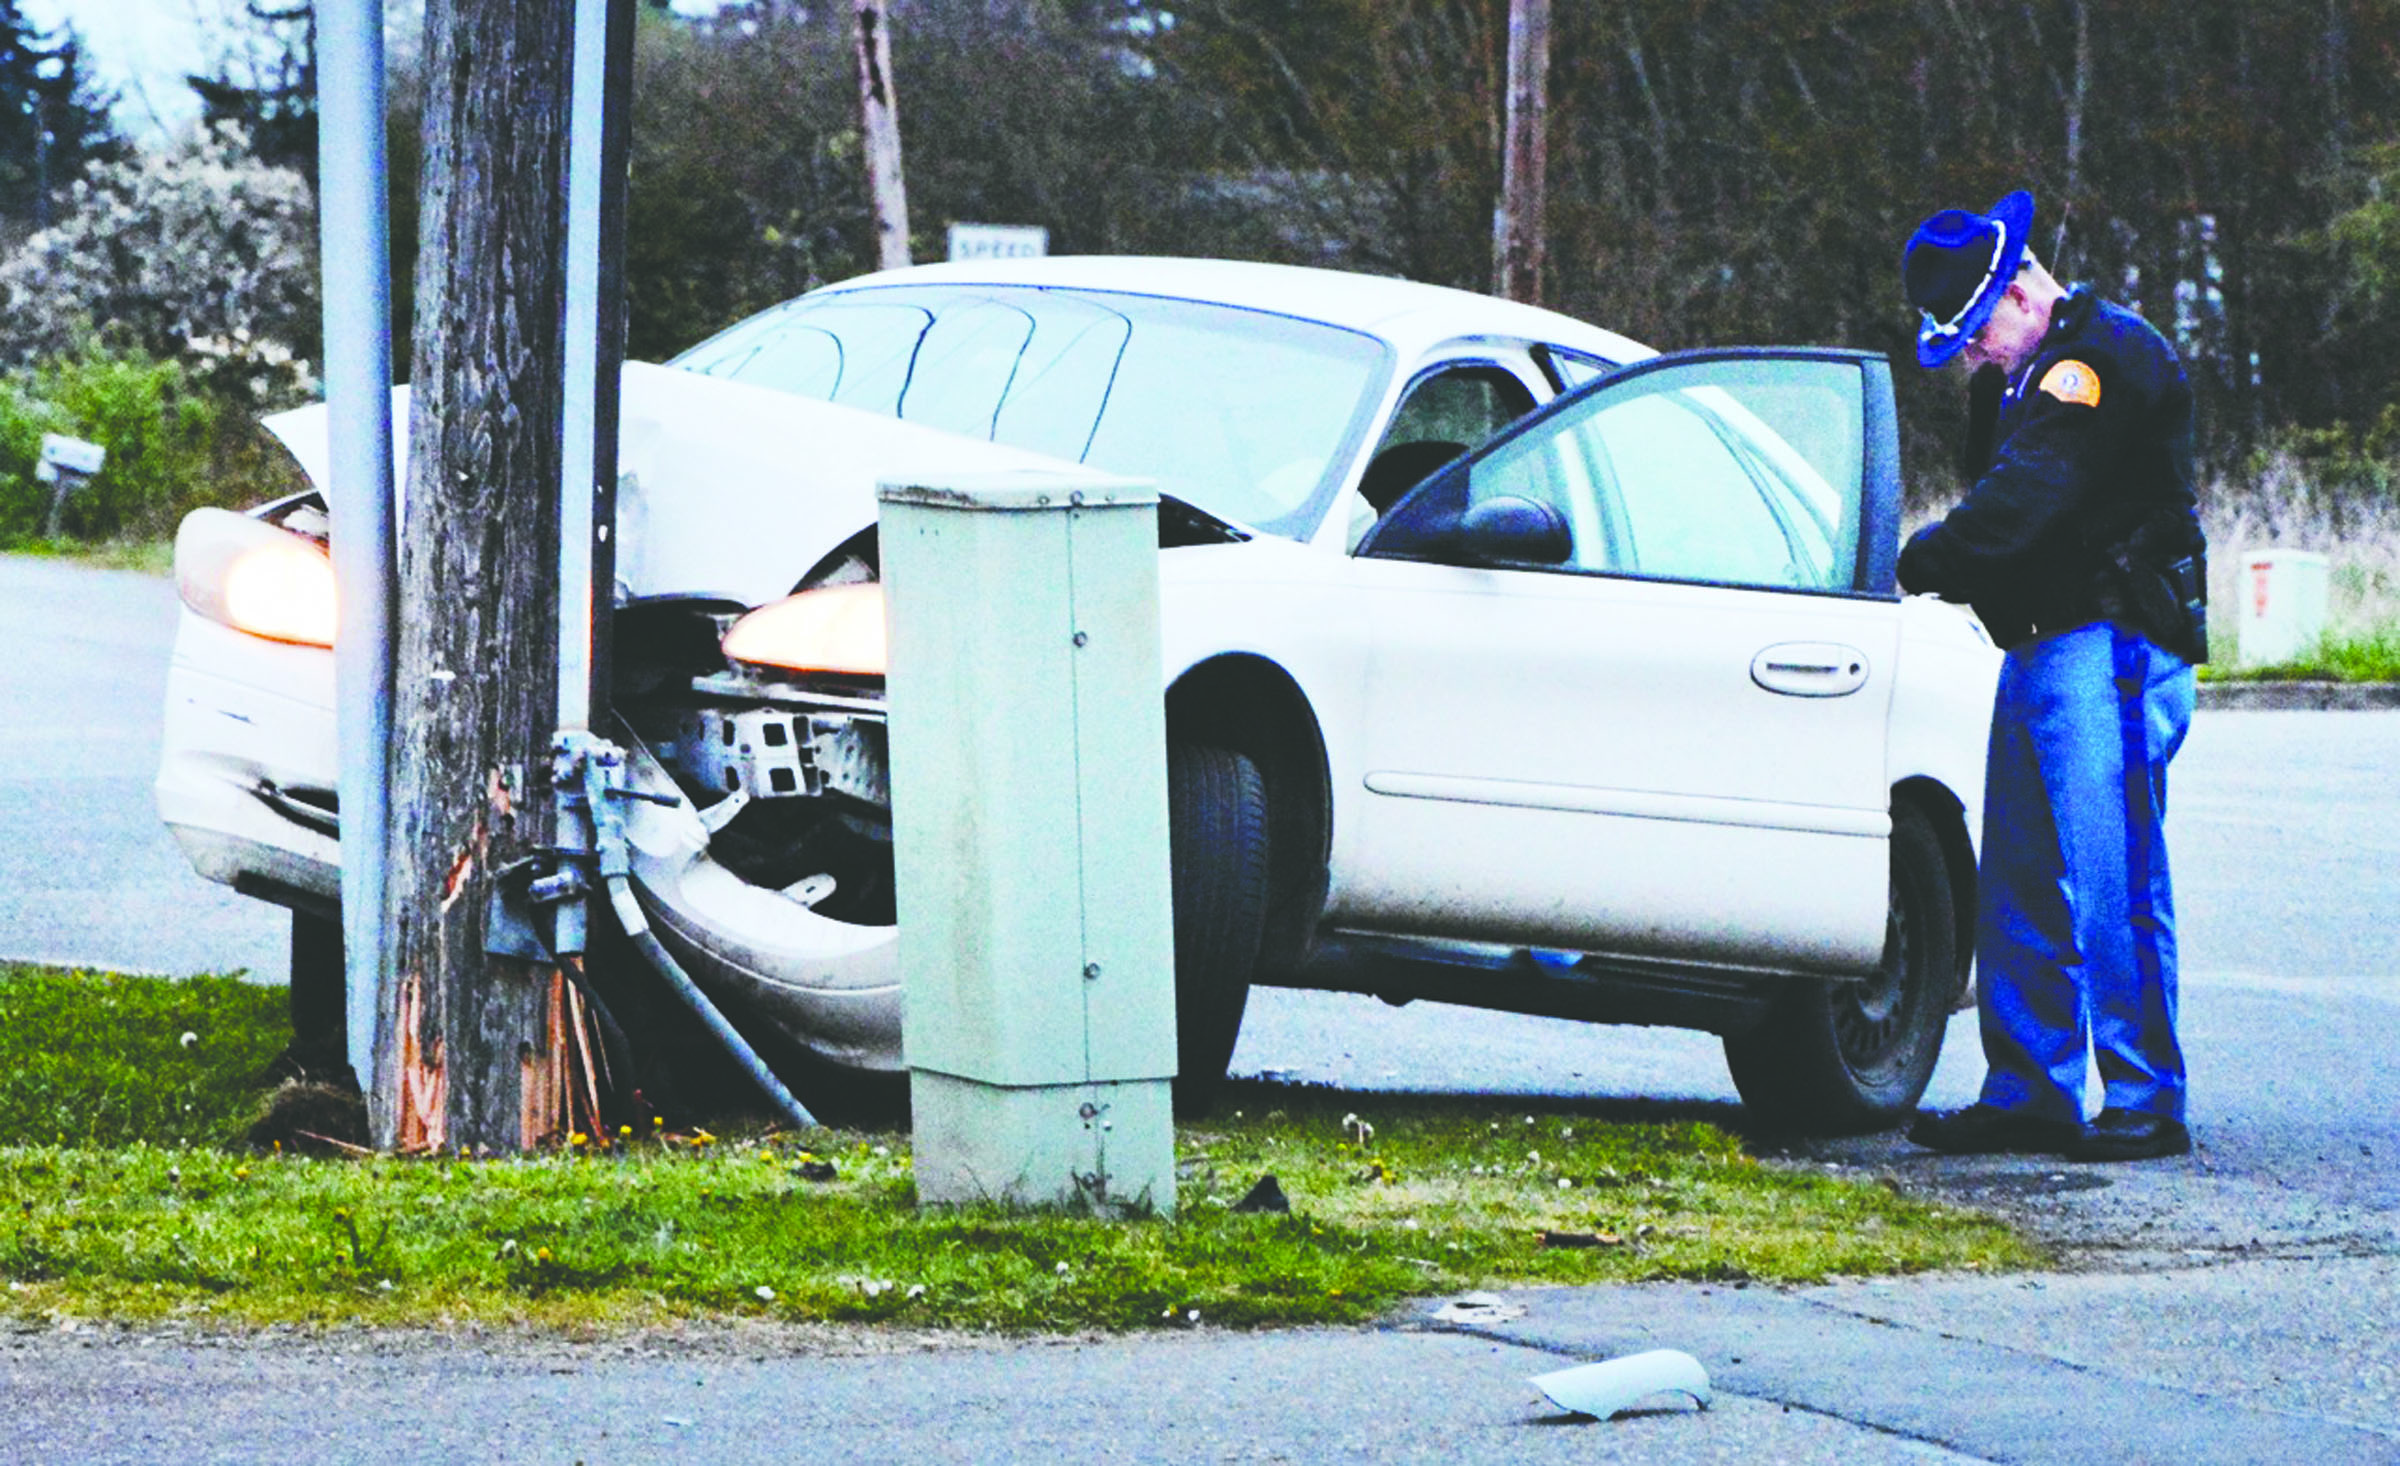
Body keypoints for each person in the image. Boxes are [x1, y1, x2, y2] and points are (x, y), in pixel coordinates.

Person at [1895, 189, 2209, 1163]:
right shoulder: (2020, 376)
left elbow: (2018, 505)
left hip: (2109, 640)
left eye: (1975, 332)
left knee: (2115, 878)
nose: (1975, 356)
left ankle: (2146, 1095)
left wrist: (1914, 559)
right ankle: (2031, 1087)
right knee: (2019, 884)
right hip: (2036, 645)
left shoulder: (2094, 360)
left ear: (2022, 291)